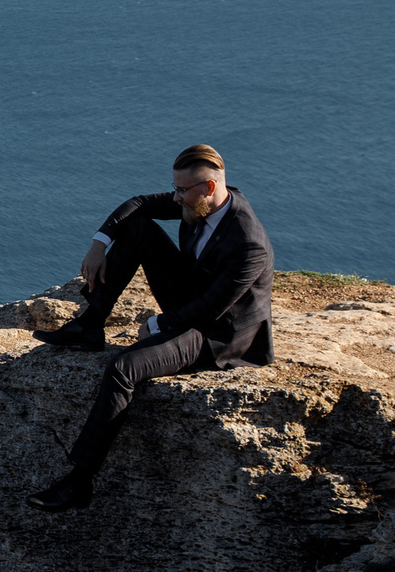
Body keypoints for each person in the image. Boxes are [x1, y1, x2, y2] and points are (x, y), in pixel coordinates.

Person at [26, 145, 274, 512]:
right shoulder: (200, 202)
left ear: (208, 188)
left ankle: (79, 482)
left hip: (218, 334)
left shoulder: (248, 242)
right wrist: (99, 243)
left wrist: (157, 324)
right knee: (138, 228)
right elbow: (139, 203)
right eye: (174, 188)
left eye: (182, 191)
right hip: (191, 300)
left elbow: (212, 310)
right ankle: (90, 325)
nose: (176, 198)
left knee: (124, 368)